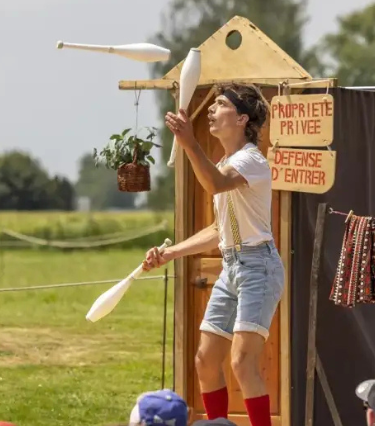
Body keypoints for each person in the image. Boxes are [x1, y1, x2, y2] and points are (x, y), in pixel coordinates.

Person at [142, 83, 282, 426]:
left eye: (220, 104)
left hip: (258, 267)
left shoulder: (251, 160)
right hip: (232, 266)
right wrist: (170, 252)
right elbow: (220, 229)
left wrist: (188, 142)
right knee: (205, 360)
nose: (211, 110)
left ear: (242, 118)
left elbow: (216, 183)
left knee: (241, 362)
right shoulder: (223, 163)